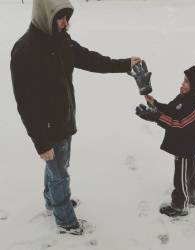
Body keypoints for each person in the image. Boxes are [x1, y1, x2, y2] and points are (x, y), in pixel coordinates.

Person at [10, 0, 141, 235]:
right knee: (59, 174)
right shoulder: (25, 50)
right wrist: (40, 142)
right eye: (61, 17)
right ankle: (65, 221)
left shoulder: (62, 41)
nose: (66, 23)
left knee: (57, 167)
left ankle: (53, 202)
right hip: (47, 128)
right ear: (45, 16)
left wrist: (124, 65)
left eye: (68, 17)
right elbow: (25, 104)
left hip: (65, 118)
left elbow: (91, 60)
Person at [135, 62, 195, 217]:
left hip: (186, 145)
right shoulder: (186, 96)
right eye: (183, 79)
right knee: (189, 172)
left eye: (186, 81)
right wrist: (155, 105)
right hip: (183, 143)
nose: (182, 83)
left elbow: (179, 123)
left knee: (180, 178)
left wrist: (156, 116)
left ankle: (180, 205)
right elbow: (172, 111)